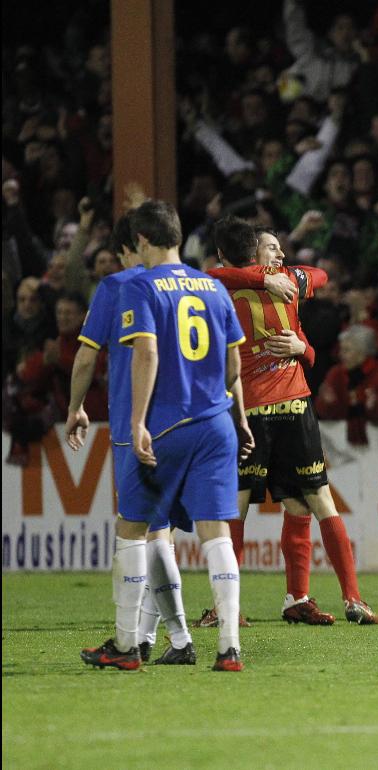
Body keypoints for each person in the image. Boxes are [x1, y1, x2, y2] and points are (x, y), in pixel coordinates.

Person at [79, 200, 253, 672]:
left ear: (140, 242)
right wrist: (239, 415)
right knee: (217, 532)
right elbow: (235, 362)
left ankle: (124, 645)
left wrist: (137, 423)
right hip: (217, 423)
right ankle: (229, 648)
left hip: (168, 424)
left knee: (134, 530)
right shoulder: (213, 286)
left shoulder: (141, 285)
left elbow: (147, 354)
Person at [206, 218, 378, 626]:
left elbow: (318, 276)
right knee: (258, 505)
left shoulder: (235, 285)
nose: (279, 256)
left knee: (303, 502)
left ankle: (313, 598)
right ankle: (231, 606)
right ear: (253, 253)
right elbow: (313, 274)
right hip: (263, 407)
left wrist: (303, 347)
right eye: (271, 249)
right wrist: (271, 279)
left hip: (281, 405)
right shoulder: (264, 282)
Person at [68, 210, 197, 665]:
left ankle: (137, 641)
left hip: (133, 424)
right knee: (158, 534)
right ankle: (162, 639)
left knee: (136, 531)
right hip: (187, 421)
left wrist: (75, 407)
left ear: (130, 247)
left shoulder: (118, 287)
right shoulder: (190, 283)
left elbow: (86, 358)